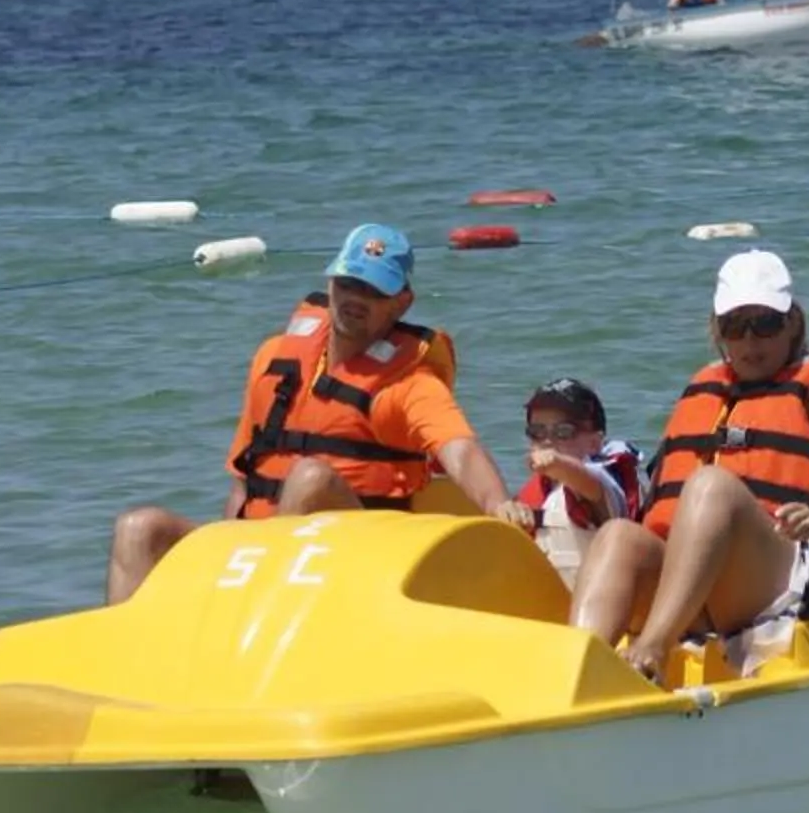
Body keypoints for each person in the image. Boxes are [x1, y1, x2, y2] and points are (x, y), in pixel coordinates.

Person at [105, 221, 532, 600]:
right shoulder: (274, 359)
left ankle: (263, 614)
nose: (355, 299)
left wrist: (499, 504)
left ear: (401, 303)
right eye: (348, 283)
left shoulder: (408, 384)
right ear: (330, 284)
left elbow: (459, 449)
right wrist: (233, 547)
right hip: (258, 552)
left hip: (357, 553)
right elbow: (245, 477)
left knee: (311, 479)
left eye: (373, 292)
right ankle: (125, 650)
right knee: (139, 528)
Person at [568, 249, 809, 681]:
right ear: (717, 330)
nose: (751, 342)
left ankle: (653, 651)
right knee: (618, 536)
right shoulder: (706, 392)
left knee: (711, 486)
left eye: (766, 323)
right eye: (736, 327)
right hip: (697, 591)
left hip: (782, 584)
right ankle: (577, 673)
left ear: (793, 323)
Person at [516, 378, 646, 582]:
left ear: (595, 443)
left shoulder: (604, 478)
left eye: (563, 432)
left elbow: (589, 484)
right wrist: (510, 512)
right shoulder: (539, 490)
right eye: (537, 432)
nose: (547, 441)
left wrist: (558, 464)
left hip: (601, 595)